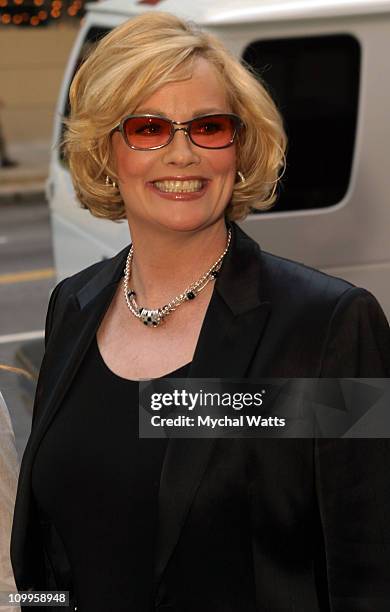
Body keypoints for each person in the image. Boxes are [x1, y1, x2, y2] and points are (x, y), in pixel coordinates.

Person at [10, 11, 390, 612]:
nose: (182, 153)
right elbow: (54, 549)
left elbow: (370, 568)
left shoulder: (327, 328)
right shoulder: (74, 307)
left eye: (209, 127)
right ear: (107, 151)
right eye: (149, 127)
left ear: (240, 147)